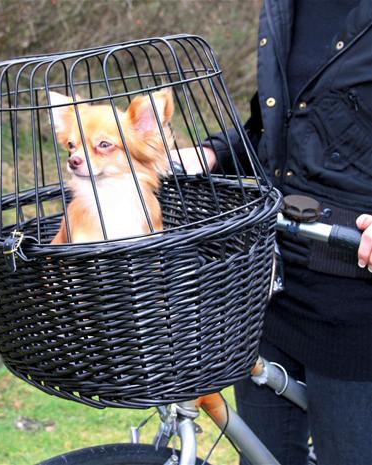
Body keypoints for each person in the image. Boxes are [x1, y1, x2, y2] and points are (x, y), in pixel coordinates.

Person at [175, 1, 372, 464]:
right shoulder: (284, 7)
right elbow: (279, 123)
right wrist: (214, 153)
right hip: (268, 283)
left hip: (353, 304)